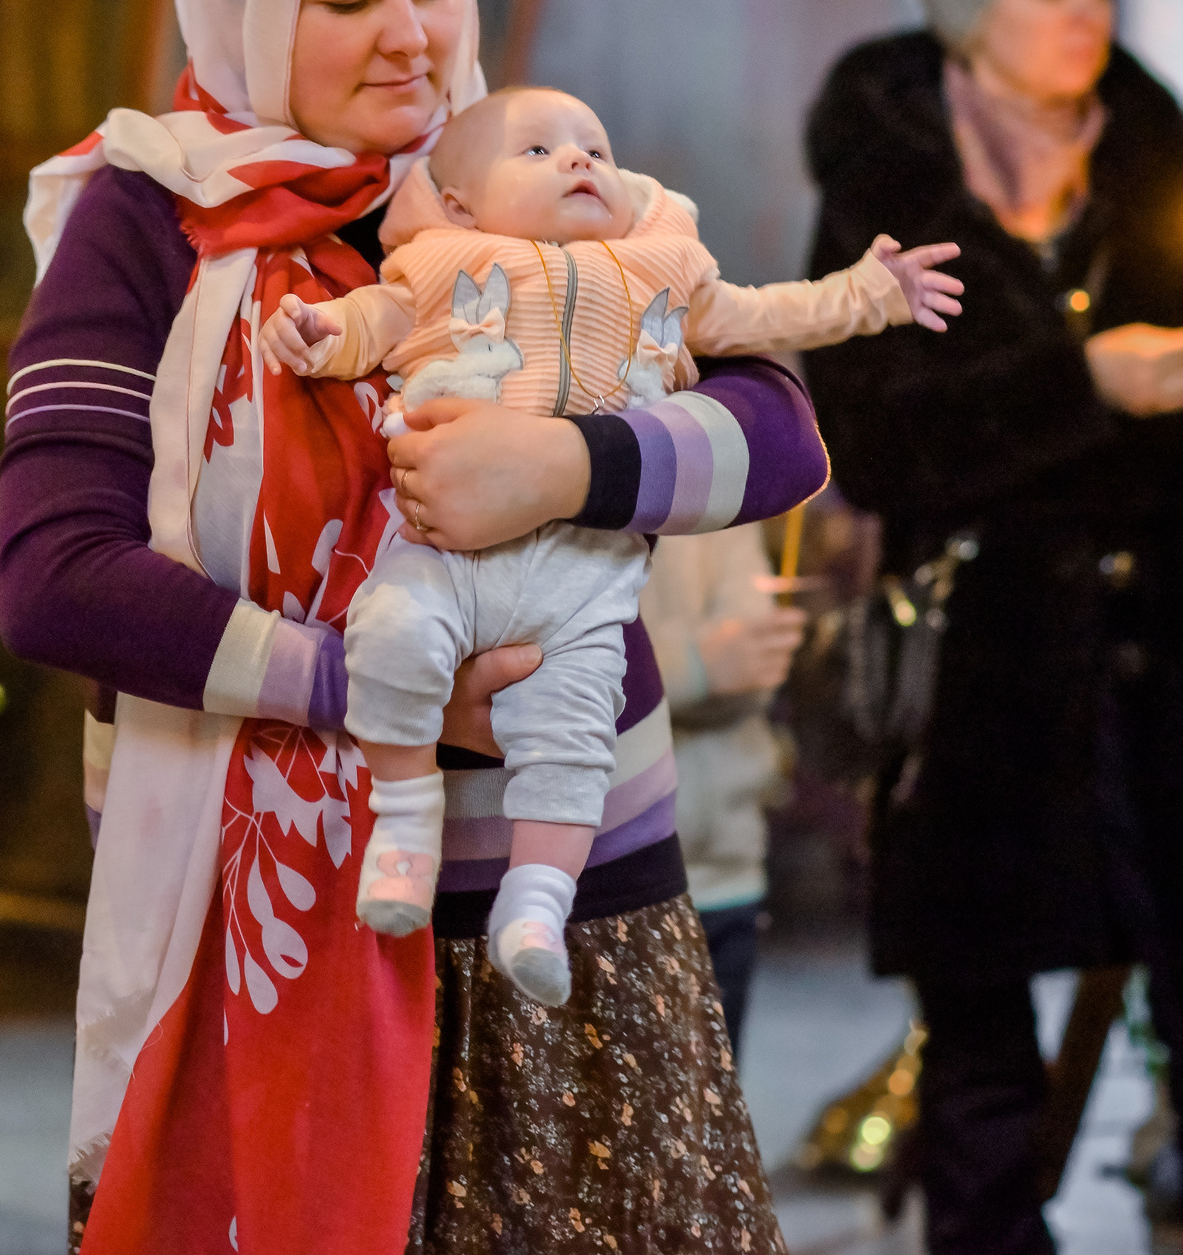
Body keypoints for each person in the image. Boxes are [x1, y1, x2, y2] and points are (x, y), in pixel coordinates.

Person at [0, 0, 827, 1255]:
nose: (413, 37)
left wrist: (561, 466)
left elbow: (779, 433)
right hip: (273, 915)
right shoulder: (148, 220)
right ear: (248, 3)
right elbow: (56, 578)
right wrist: (375, 689)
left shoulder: (522, 173)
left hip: (566, 903)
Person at [798, 0, 1183, 1255]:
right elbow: (875, 444)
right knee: (981, 1072)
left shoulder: (1149, 162)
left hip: (1169, 666)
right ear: (973, 11)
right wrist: (1082, 388)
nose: (1089, 17)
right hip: (982, 673)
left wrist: (1092, 421)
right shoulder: (889, 188)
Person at [256, 84, 955, 1005]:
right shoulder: (433, 267)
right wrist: (316, 332)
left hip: (584, 573)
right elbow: (366, 327)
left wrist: (872, 293)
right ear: (460, 202)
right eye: (538, 152)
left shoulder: (662, 273)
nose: (579, 162)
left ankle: (538, 902)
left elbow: (768, 316)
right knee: (389, 636)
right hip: (445, 555)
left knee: (575, 728)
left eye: (594, 146)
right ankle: (402, 824)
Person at [642, 522, 806, 1057]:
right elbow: (554, 672)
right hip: (606, 881)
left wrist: (673, 674)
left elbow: (758, 658)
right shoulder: (548, 463)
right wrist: (698, 666)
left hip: (725, 869)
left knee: (709, 1125)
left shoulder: (721, 470)